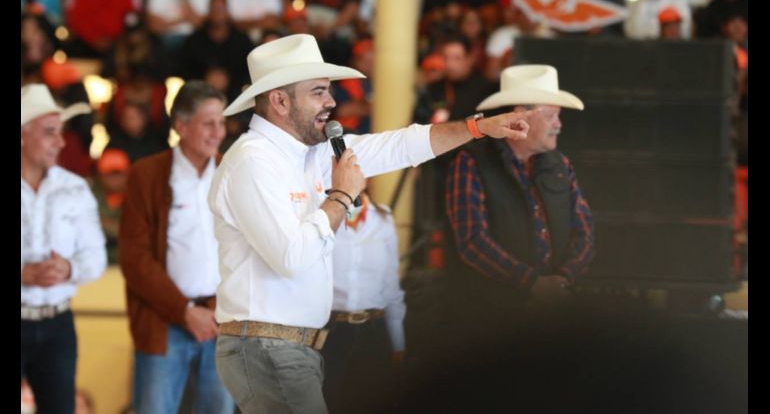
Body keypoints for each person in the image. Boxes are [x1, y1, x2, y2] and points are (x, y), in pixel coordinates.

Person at [208, 33, 534, 413]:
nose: (331, 102)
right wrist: (342, 196)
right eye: (318, 92)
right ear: (279, 100)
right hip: (265, 345)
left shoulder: (313, 154)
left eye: (328, 91)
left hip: (288, 347)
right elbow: (292, 256)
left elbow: (402, 145)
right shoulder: (253, 160)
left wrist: (477, 129)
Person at [444, 64, 596, 341]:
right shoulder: (473, 160)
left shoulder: (560, 164)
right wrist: (534, 284)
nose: (558, 124)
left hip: (553, 316)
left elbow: (585, 232)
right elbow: (472, 241)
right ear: (519, 118)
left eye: (558, 116)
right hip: (490, 321)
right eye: (551, 116)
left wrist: (560, 283)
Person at [118, 81, 233, 413]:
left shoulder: (232, 171)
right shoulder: (148, 175)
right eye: (208, 123)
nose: (218, 132)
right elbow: (134, 258)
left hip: (220, 320)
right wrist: (184, 311)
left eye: (221, 123)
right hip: (163, 320)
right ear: (181, 126)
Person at [21, 83, 107, 414]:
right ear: (23, 135)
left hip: (58, 322)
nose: (60, 141)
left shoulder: (75, 188)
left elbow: (96, 257)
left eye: (60, 132)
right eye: (49, 133)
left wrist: (69, 269)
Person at [321, 191, 406, 414]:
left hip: (375, 331)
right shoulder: (321, 216)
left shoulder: (383, 217)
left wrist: (398, 342)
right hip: (330, 332)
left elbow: (391, 286)